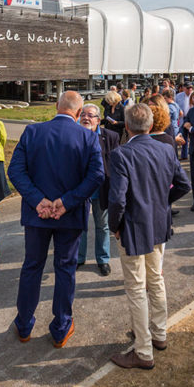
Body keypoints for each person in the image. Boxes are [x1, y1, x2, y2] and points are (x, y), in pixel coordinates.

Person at [8, 91, 104, 347]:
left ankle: (24, 324)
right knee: (65, 269)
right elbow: (96, 176)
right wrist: (67, 202)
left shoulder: (32, 131)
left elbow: (15, 170)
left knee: (32, 267)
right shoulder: (87, 136)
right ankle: (61, 327)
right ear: (78, 112)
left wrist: (38, 200)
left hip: (37, 213)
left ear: (57, 106)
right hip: (68, 215)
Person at [107, 103, 190, 369]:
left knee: (137, 287)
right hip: (156, 223)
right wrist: (162, 204)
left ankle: (143, 350)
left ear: (127, 126)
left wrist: (114, 225)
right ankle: (159, 333)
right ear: (152, 124)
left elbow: (118, 199)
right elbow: (184, 184)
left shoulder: (122, 154)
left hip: (133, 225)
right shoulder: (165, 149)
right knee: (154, 280)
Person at [78, 103, 120, 276]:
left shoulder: (110, 136)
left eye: (90, 115)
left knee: (102, 226)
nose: (86, 118)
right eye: (83, 114)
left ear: (98, 119)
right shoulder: (74, 135)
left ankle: (103, 260)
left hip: (101, 189)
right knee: (80, 226)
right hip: (79, 190)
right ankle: (79, 258)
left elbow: (115, 164)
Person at [174, 84, 193, 159]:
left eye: (191, 88)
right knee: (183, 137)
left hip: (191, 119)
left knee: (193, 137)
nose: (189, 90)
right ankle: (184, 155)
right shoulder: (178, 96)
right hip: (182, 118)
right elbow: (176, 105)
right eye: (188, 88)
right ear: (184, 88)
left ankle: (192, 153)